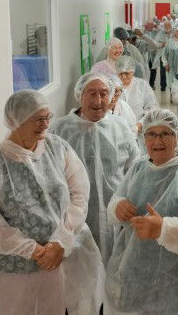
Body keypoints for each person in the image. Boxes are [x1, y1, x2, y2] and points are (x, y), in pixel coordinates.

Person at [0, 90, 103, 315]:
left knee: (73, 307)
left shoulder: (57, 147)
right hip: (18, 272)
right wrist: (34, 251)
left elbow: (80, 194)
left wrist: (60, 241)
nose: (46, 124)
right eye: (38, 119)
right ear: (16, 120)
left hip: (67, 255)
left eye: (48, 117)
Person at [105, 108, 178, 315]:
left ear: (177, 137)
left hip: (175, 277)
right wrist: (117, 206)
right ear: (143, 138)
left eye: (165, 133)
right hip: (136, 267)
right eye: (151, 134)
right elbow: (116, 198)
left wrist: (164, 229)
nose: (158, 141)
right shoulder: (139, 167)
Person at [49, 74, 139, 265]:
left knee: (115, 264)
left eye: (104, 94)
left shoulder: (121, 127)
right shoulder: (60, 130)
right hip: (74, 216)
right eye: (92, 93)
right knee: (82, 267)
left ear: (111, 96)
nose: (98, 101)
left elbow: (135, 167)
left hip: (115, 212)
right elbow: (51, 176)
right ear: (79, 95)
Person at [116, 56, 158, 148]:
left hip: (140, 132)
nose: (123, 76)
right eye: (120, 73)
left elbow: (152, 107)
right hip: (119, 133)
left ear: (132, 72)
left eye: (126, 73)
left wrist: (141, 124)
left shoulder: (142, 85)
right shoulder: (114, 86)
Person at [151, 20, 173, 91]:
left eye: (169, 25)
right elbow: (155, 44)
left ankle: (172, 86)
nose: (167, 27)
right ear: (164, 26)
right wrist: (162, 44)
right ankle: (163, 86)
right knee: (162, 70)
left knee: (172, 71)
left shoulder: (174, 33)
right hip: (162, 54)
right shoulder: (160, 34)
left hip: (172, 55)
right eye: (166, 26)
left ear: (171, 26)